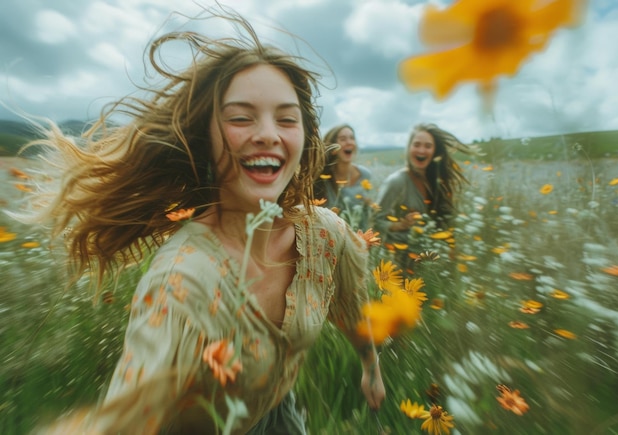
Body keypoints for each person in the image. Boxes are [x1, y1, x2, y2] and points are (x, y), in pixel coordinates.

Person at [26, 10, 385, 434]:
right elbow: (130, 418)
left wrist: (370, 367)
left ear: (304, 136)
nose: (269, 133)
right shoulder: (183, 280)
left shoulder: (325, 234)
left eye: (287, 118)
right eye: (240, 117)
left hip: (279, 412)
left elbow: (351, 305)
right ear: (205, 135)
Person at [374, 123, 472, 247]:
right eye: (416, 145)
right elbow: (375, 221)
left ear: (435, 151)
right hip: (401, 257)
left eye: (428, 146)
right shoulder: (396, 181)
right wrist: (400, 225)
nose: (421, 150)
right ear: (409, 148)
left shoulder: (438, 181)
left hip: (432, 257)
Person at [313, 124, 373, 230]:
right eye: (343, 139)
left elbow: (369, 213)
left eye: (352, 138)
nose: (349, 142)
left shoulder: (365, 175)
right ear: (332, 146)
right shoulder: (320, 178)